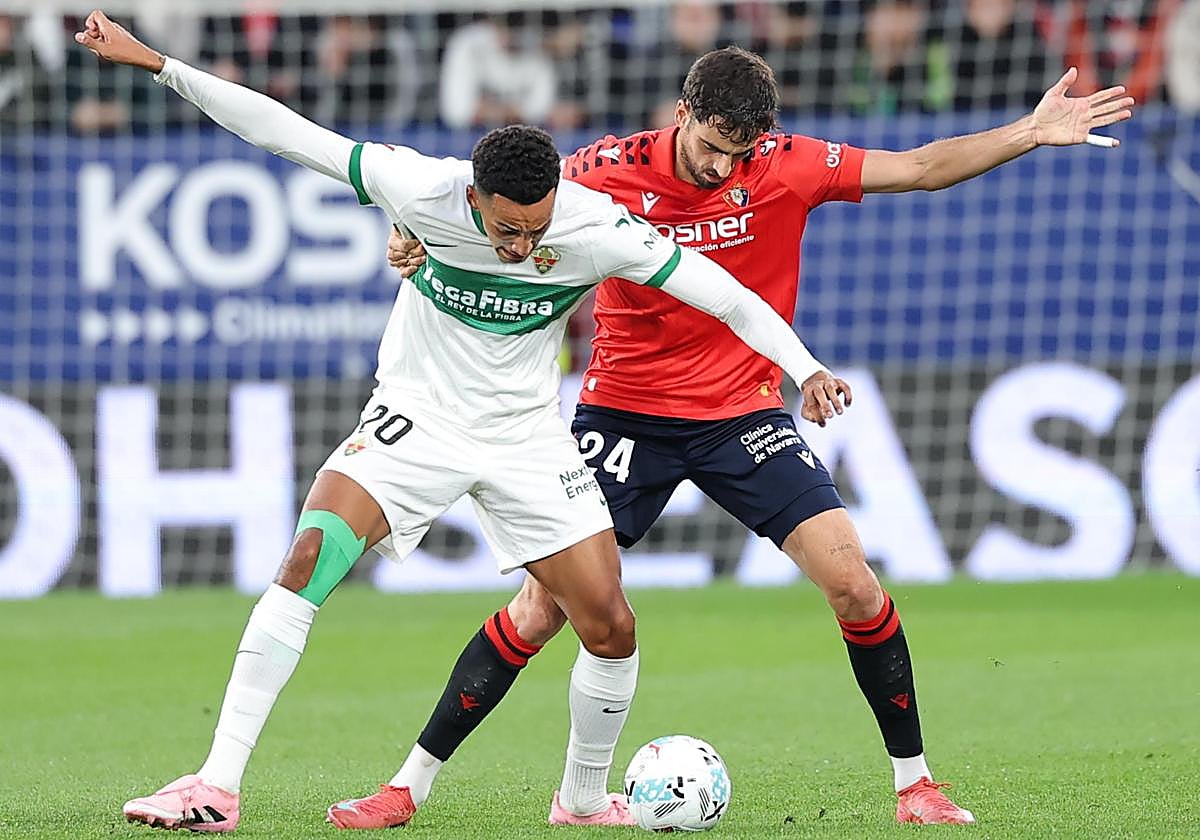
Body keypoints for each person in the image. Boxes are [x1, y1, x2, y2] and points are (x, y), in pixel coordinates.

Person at [73, 11, 852, 833]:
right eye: (504, 228)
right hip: (418, 416)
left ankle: (583, 803)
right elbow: (284, 130)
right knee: (309, 557)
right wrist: (157, 63)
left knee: (610, 624)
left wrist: (803, 369)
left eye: (536, 228)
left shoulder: (591, 224)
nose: (521, 246)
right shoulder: (422, 189)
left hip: (525, 435)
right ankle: (215, 786)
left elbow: (724, 294)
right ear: (472, 198)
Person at [336, 45, 1135, 829]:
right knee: (545, 610)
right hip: (621, 414)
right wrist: (415, 231)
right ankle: (408, 787)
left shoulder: (787, 164)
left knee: (854, 583)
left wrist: (1026, 133)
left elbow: (920, 167)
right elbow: (489, 198)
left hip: (742, 415)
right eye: (713, 148)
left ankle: (915, 785)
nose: (725, 169)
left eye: (740, 152)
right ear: (682, 115)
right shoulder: (602, 169)